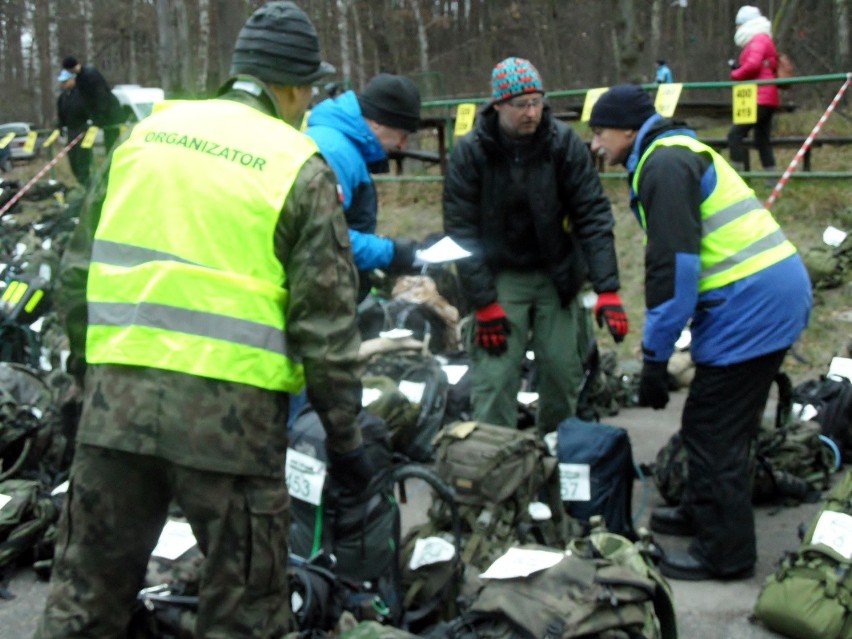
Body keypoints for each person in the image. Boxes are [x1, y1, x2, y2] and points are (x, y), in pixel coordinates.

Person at [37, 2, 378, 637]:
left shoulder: (144, 138)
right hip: (232, 431)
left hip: (116, 414)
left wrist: (90, 381)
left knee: (85, 604)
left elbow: (75, 278)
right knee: (243, 613)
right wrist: (346, 440)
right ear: (294, 87)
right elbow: (326, 326)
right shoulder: (297, 165)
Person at [589, 84, 811, 581]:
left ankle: (726, 554)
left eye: (600, 132)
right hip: (763, 296)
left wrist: (653, 357)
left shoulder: (664, 165)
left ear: (628, 129)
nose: (596, 144)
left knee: (714, 433)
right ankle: (702, 509)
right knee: (713, 422)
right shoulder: (672, 151)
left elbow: (674, 273)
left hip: (754, 304)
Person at [442, 56, 628, 435]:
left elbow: (592, 213)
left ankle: (558, 462)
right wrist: (483, 301)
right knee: (495, 378)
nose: (531, 113)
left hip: (556, 272)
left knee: (562, 372)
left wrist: (607, 288)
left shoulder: (564, 146)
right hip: (500, 274)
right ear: (497, 105)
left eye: (537, 102)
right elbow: (461, 231)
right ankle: (496, 466)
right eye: (521, 104)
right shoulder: (471, 153)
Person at [305, 72, 422, 300]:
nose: (402, 144)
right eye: (402, 133)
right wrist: (390, 252)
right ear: (377, 122)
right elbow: (323, 237)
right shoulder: (336, 153)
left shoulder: (344, 146)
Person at [727, 5, 779, 173]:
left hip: (759, 96)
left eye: (738, 24)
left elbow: (753, 65)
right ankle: (771, 177)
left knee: (734, 135)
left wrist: (735, 73)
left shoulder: (757, 40)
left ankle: (738, 175)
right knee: (762, 140)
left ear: (745, 24)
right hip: (766, 96)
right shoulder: (763, 39)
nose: (736, 28)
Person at [61, 54, 125, 152]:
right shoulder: (80, 78)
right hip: (102, 114)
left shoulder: (90, 74)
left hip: (110, 113)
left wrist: (99, 115)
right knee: (109, 144)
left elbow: (101, 96)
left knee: (113, 143)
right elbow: (87, 100)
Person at [56, 68, 92, 186]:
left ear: (73, 79)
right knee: (73, 161)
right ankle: (82, 184)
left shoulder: (83, 93)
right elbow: (61, 116)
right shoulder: (63, 97)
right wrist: (59, 127)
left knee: (83, 162)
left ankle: (88, 185)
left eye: (66, 81)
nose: (64, 84)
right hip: (71, 132)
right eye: (62, 82)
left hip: (83, 131)